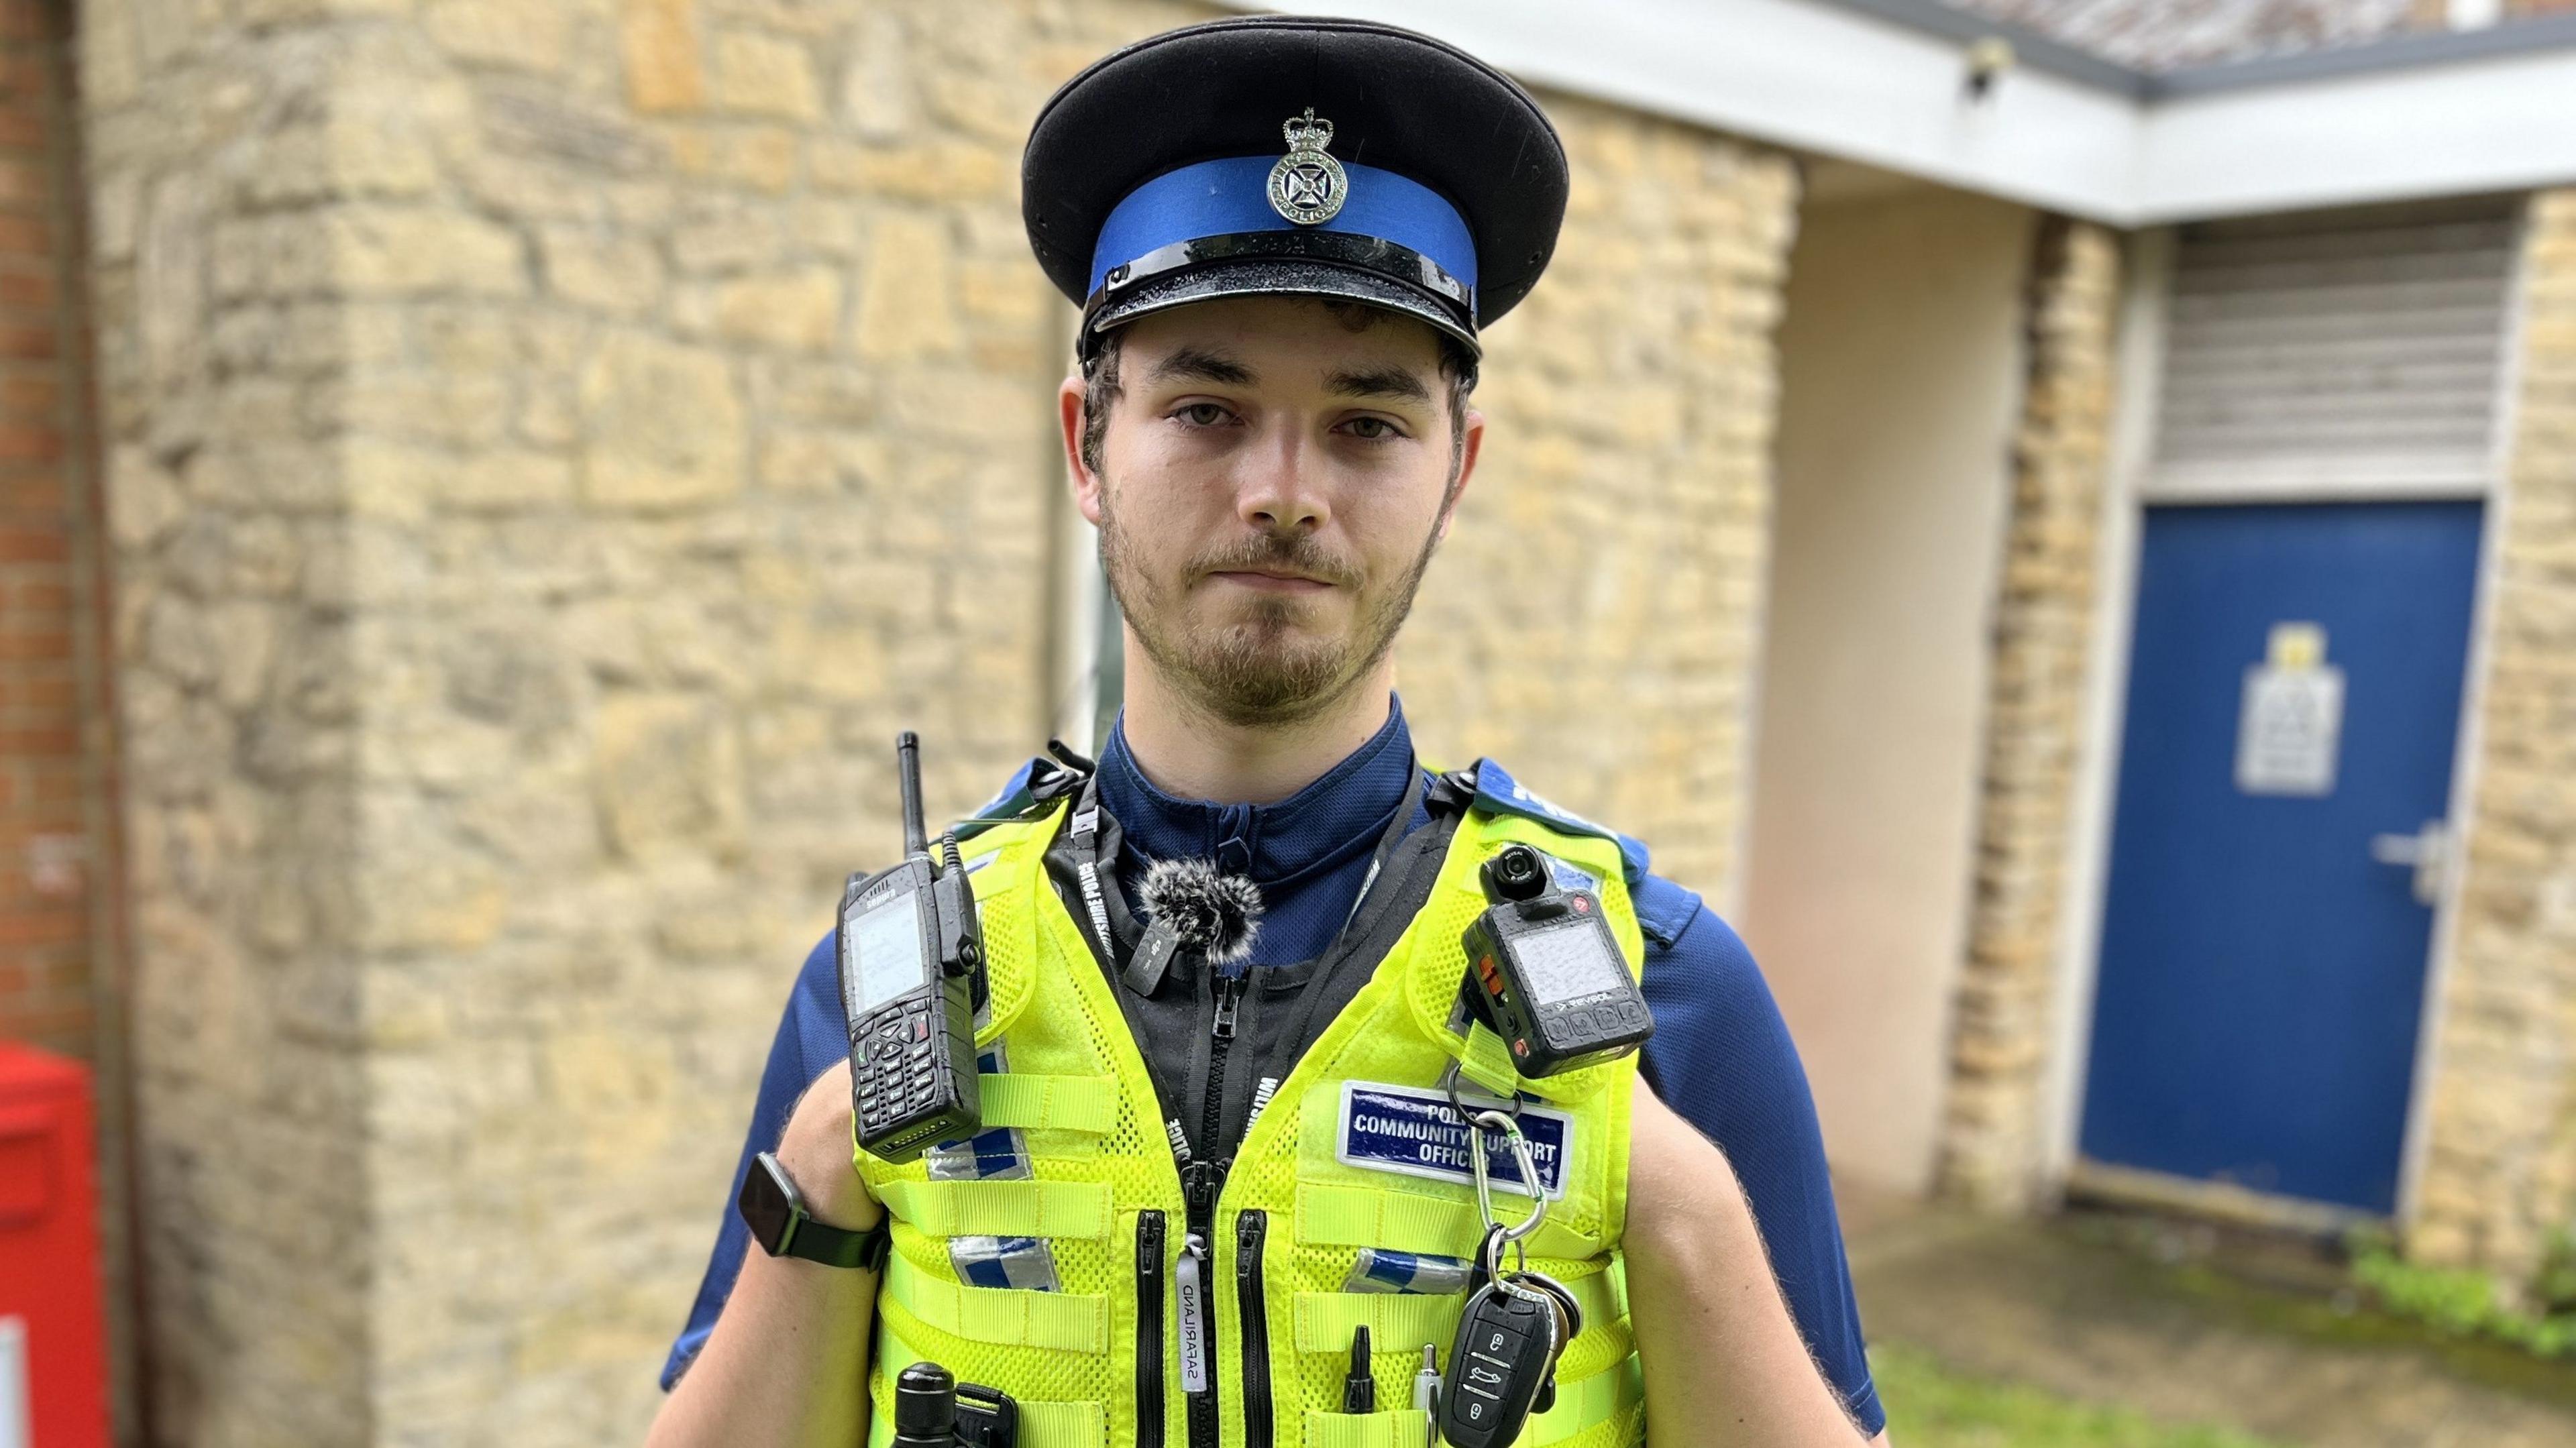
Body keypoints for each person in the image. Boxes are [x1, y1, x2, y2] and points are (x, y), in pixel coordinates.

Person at [649, 16, 1887, 1447]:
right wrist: (823, 1159)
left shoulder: (1670, 994)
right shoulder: (882, 991)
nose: (1285, 491)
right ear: (1086, 447)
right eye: (1206, 407)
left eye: (1366, 425)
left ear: (1457, 471)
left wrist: (1669, 1206)